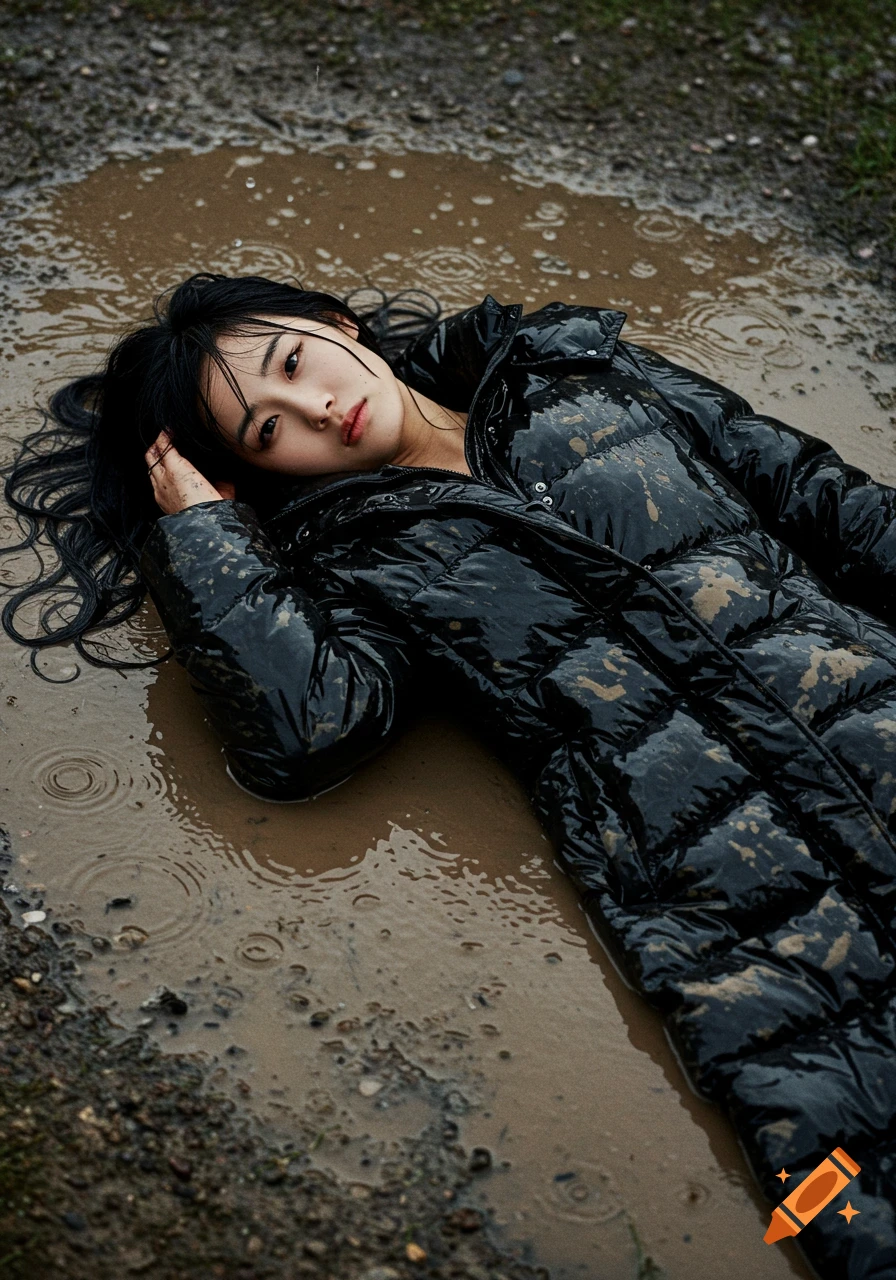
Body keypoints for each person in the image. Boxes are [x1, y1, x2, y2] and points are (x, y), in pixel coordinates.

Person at [4, 272, 896, 1276]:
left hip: (873, 716)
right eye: (268, 430)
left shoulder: (567, 365)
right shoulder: (350, 561)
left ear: (333, 323)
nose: (315, 410)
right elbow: (304, 735)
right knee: (843, 1192)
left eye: (294, 363)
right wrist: (202, 536)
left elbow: (823, 501)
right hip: (732, 904)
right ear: (256, 475)